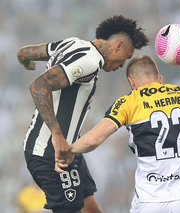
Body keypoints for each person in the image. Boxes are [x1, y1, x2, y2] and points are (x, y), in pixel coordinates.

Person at [55, 55, 180, 213]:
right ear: (160, 79)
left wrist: (69, 151)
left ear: (132, 83)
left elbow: (95, 139)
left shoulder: (129, 102)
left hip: (149, 202)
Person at [17, 15, 149, 213]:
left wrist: (25, 60)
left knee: (92, 209)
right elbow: (39, 85)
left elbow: (25, 52)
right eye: (126, 58)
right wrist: (57, 135)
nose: (122, 65)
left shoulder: (72, 43)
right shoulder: (89, 61)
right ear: (118, 46)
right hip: (49, 153)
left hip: (70, 151)